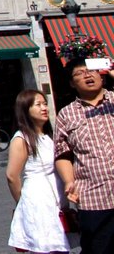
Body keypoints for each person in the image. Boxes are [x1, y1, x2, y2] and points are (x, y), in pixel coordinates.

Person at [54, 57, 114, 254]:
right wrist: (68, 181)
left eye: (92, 71)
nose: (87, 75)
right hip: (93, 197)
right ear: (72, 83)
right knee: (97, 248)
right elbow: (62, 153)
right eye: (79, 73)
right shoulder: (66, 114)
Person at [7, 89, 69, 254]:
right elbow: (12, 176)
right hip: (38, 203)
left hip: (56, 201)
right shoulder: (22, 138)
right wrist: (23, 203)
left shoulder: (49, 135)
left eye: (45, 104)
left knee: (60, 248)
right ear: (25, 110)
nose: (44, 108)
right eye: (38, 104)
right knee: (47, 248)